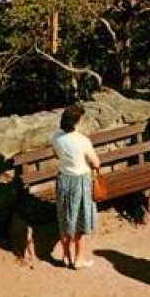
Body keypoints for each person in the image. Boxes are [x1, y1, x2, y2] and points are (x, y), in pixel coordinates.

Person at [51, 103, 101, 270]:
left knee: (65, 218)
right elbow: (96, 162)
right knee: (80, 220)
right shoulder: (82, 141)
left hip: (63, 180)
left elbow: (56, 154)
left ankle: (66, 255)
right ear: (76, 122)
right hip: (80, 180)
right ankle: (79, 259)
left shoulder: (56, 137)